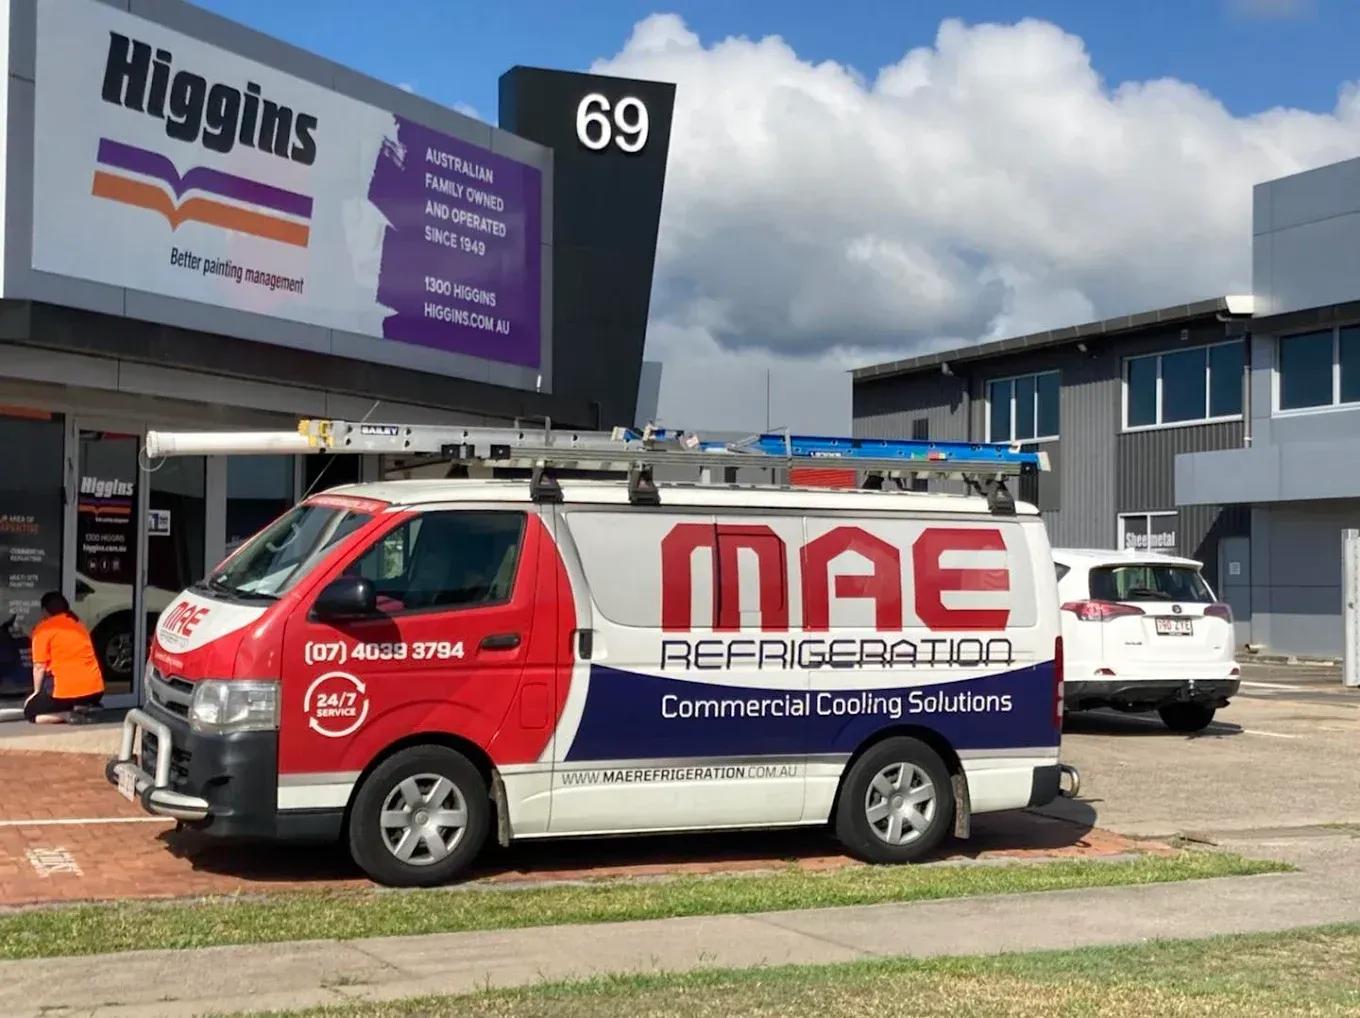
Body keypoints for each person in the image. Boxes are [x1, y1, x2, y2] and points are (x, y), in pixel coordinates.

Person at [24, 591, 104, 724]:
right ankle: (81, 707)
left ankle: (67, 715)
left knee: (30, 712)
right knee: (66, 695)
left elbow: (39, 667)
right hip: (95, 692)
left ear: (45, 611)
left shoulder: (43, 629)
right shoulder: (78, 625)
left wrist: (36, 693)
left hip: (65, 693)